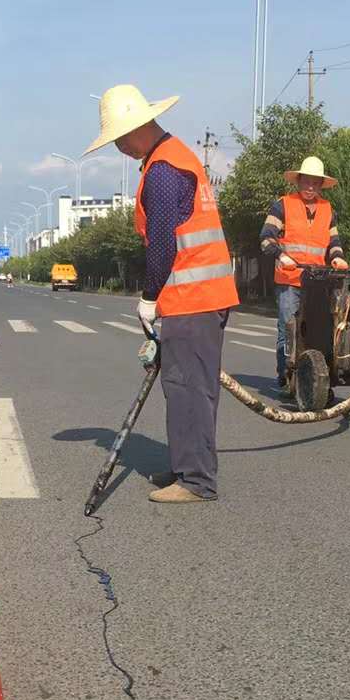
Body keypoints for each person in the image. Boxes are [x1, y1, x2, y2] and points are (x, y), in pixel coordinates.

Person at [85, 84, 239, 504]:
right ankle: (186, 467)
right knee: (186, 387)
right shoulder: (173, 157)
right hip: (201, 296)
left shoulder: (165, 170)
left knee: (189, 389)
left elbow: (162, 244)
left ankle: (196, 481)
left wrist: (149, 296)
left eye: (117, 139)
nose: (117, 147)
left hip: (193, 299)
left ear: (134, 129)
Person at [259, 155, 349, 384]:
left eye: (315, 183)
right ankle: (286, 376)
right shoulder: (283, 205)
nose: (310, 187)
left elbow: (334, 243)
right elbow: (266, 239)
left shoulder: (328, 210)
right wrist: (281, 255)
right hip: (289, 279)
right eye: (306, 181)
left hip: (317, 281)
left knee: (318, 330)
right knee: (288, 328)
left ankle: (311, 376)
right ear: (298, 181)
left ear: (321, 185)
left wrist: (338, 258)